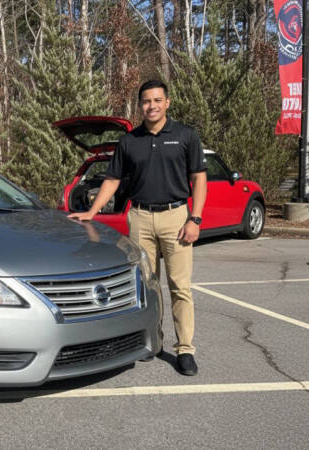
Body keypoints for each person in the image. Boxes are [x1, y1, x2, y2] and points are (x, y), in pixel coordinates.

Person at [68, 79, 207, 376]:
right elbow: (113, 179)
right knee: (147, 286)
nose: (152, 106)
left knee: (180, 287)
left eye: (157, 100)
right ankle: (153, 342)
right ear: (140, 105)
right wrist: (91, 211)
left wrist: (195, 219)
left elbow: (199, 178)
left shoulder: (185, 135)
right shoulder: (130, 141)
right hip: (140, 218)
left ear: (167, 103)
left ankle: (185, 350)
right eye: (146, 101)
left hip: (176, 217)